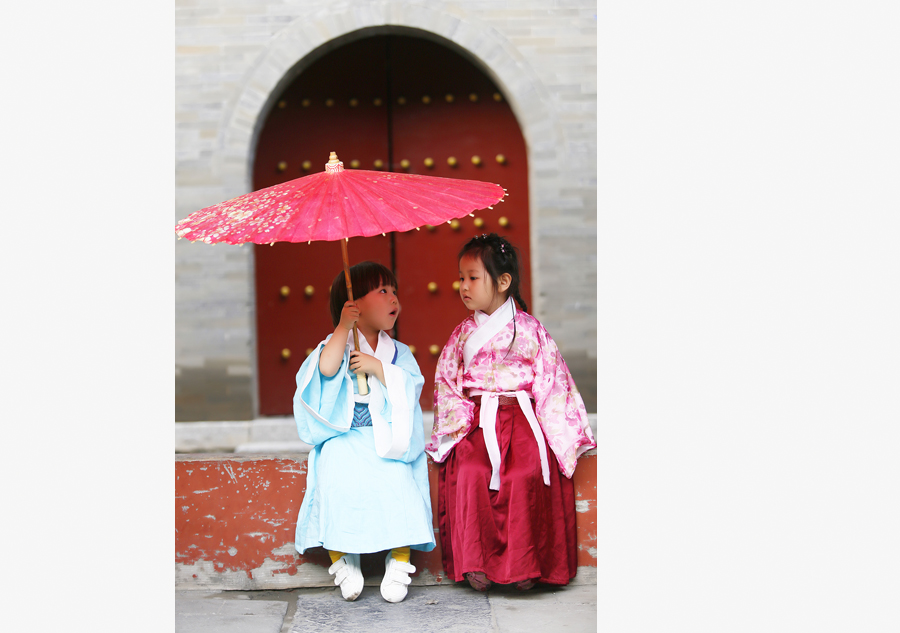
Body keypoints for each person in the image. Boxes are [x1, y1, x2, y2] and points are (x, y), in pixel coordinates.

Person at [427, 233, 596, 591]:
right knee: (471, 471)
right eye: (461, 278)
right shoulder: (462, 334)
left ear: (503, 282)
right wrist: (458, 422)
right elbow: (447, 381)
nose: (464, 286)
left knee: (526, 473)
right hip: (476, 420)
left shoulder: (531, 330)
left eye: (473, 277)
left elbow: (553, 382)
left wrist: (560, 432)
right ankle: (476, 563)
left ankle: (526, 564)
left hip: (521, 420)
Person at [293, 261, 435, 603]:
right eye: (383, 291)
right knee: (336, 477)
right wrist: (343, 328)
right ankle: (343, 559)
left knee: (399, 480)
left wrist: (378, 368)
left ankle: (399, 558)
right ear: (353, 301)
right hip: (346, 436)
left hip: (385, 437)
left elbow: (411, 386)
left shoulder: (397, 352)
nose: (394, 299)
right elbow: (325, 370)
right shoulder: (338, 343)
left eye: (394, 291)